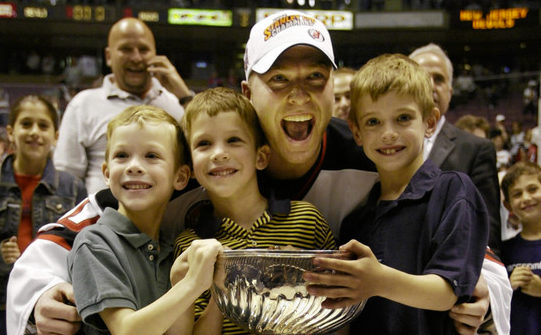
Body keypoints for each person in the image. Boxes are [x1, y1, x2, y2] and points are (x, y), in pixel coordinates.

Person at [7, 10, 494, 335]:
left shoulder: (371, 153)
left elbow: (471, 247)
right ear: (247, 91)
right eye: (278, 79)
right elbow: (77, 227)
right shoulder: (200, 160)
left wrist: (486, 293)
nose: (298, 95)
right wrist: (39, 296)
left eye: (314, 79)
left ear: (332, 93)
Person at [303, 53, 488, 335]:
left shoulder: (453, 191)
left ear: (429, 121)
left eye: (403, 118)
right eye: (373, 122)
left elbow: (447, 292)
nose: (388, 133)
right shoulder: (357, 216)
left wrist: (378, 280)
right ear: (356, 131)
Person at [174, 87, 336, 335]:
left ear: (261, 157)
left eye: (233, 140)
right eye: (204, 144)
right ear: (191, 168)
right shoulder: (190, 245)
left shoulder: (307, 219)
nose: (219, 153)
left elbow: (338, 307)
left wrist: (298, 274)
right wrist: (223, 286)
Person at [67, 105, 223, 335]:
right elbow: (126, 330)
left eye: (151, 156)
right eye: (122, 156)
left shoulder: (172, 249)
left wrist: (221, 290)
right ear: (107, 173)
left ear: (180, 177)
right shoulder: (95, 243)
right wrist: (192, 284)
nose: (134, 166)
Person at [53, 17, 194, 194]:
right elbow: (66, 180)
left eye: (143, 50)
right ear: (109, 56)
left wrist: (185, 95)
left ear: (155, 54)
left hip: (167, 219)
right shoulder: (83, 105)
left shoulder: (175, 104)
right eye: (126, 49)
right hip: (101, 218)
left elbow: (205, 150)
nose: (136, 57)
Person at [0, 95, 87, 334]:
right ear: (10, 131)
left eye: (43, 125)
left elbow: (82, 250)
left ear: (56, 136)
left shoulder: (72, 187)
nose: (34, 132)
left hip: (45, 301)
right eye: (26, 124)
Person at [409, 43, 501, 256]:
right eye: (423, 76)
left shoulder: (476, 149)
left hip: (451, 274)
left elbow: (488, 229)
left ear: (450, 92)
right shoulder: (382, 144)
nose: (431, 85)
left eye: (439, 79)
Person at [500, 161, 541, 335]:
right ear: (508, 205)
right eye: (517, 194)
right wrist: (508, 285)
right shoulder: (504, 251)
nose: (526, 198)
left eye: (532, 189)